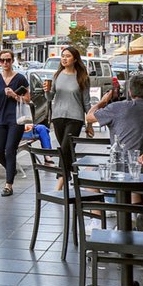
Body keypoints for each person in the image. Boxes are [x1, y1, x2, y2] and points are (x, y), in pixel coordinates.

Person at [86, 73, 143, 156]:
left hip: (126, 165)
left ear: (129, 92)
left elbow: (89, 117)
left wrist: (103, 102)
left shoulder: (117, 108)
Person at [0, 49, 28, 197]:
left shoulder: (20, 78)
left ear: (13, 61)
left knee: (10, 150)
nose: (6, 63)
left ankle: (8, 185)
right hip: (0, 119)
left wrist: (14, 95)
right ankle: (11, 169)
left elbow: (28, 99)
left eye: (8, 60)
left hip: (16, 120)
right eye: (3, 60)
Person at [43, 46, 90, 187]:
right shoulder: (57, 75)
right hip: (58, 117)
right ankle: (74, 175)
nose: (64, 58)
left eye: (68, 56)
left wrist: (90, 124)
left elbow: (86, 102)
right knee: (68, 151)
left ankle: (59, 186)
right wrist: (46, 91)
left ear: (75, 59)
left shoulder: (82, 77)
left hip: (75, 118)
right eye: (63, 56)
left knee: (64, 150)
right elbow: (50, 97)